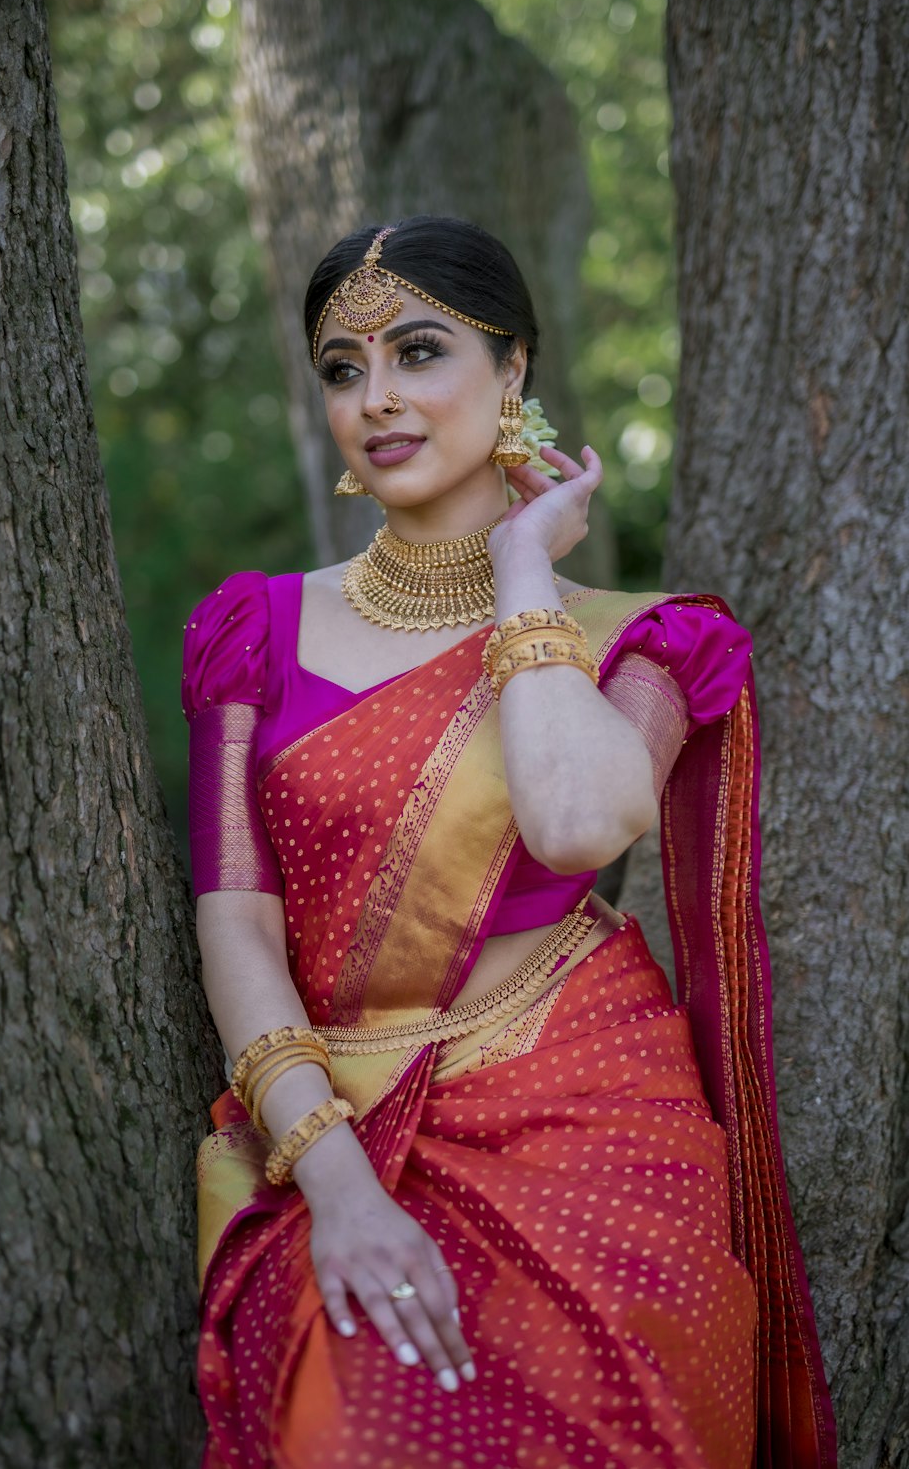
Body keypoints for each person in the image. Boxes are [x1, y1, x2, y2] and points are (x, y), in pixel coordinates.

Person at [182, 216, 835, 1469]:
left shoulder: (642, 642)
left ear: (514, 369)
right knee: (348, 1425)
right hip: (330, 1119)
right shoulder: (254, 632)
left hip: (590, 1134)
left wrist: (524, 578)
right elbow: (235, 918)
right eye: (340, 368)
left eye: (419, 353)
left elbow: (578, 820)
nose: (377, 399)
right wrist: (338, 1184)